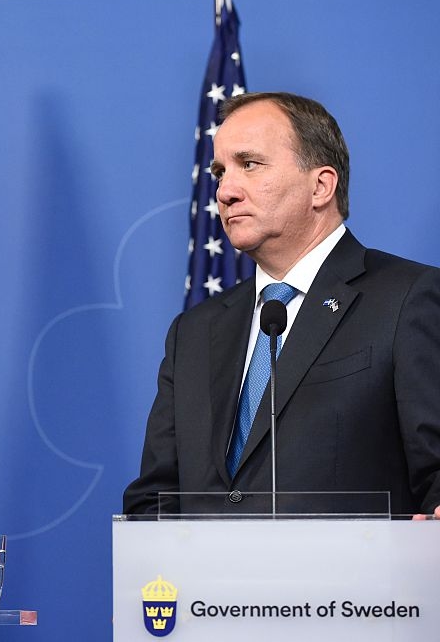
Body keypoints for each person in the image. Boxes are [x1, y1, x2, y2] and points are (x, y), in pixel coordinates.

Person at [123, 91, 440, 518]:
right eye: (219, 172)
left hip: (350, 584)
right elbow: (153, 500)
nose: (225, 191)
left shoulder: (407, 299)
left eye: (249, 164)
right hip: (209, 585)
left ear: (321, 186)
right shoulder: (193, 333)